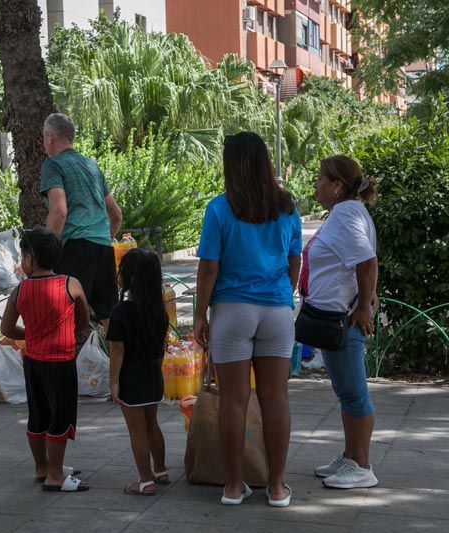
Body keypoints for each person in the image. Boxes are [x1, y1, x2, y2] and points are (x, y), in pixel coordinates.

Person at [194, 132, 302, 508]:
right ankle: (276, 486)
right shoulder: (287, 208)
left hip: (231, 312)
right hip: (276, 311)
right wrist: (280, 295)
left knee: (234, 400)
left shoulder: (219, 209)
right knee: (276, 398)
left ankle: (234, 486)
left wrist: (199, 317)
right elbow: (295, 262)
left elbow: (209, 268)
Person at [303, 155, 379, 489]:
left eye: (321, 178)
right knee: (346, 392)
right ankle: (350, 456)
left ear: (337, 186)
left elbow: (366, 262)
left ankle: (362, 465)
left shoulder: (347, 214)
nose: (316, 183)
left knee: (354, 393)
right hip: (334, 316)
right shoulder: (344, 212)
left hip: (343, 319)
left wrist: (363, 306)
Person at [0, 228, 91, 492]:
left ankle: (42, 469)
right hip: (61, 362)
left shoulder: (20, 290)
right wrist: (69, 330)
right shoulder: (70, 284)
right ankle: (56, 476)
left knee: (38, 416)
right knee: (60, 417)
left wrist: (31, 334)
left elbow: (6, 329)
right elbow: (83, 319)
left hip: (33, 362)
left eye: (22, 257)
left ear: (31, 258)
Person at [41, 113, 123, 330]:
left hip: (76, 247)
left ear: (50, 138)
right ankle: (118, 363)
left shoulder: (53, 165)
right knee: (109, 320)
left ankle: (66, 364)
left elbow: (59, 212)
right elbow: (116, 215)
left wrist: (44, 253)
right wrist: (107, 237)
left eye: (43, 138)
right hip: (103, 248)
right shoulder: (91, 166)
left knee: (63, 319)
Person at [107, 248, 169, 496]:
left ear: (129, 278)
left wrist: (113, 382)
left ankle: (145, 480)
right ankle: (161, 470)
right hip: (154, 376)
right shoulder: (159, 312)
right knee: (152, 423)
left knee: (137, 429)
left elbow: (117, 349)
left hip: (132, 379)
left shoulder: (121, 311)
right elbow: (161, 349)